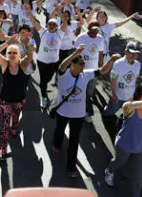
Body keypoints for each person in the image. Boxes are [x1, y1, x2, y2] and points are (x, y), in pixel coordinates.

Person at [52, 46, 121, 177]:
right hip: (62, 112)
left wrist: (111, 60)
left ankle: (71, 167)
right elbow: (62, 65)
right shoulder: (63, 74)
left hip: (78, 115)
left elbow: (102, 70)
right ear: (72, 64)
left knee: (74, 141)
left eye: (84, 64)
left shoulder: (86, 74)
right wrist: (75, 53)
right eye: (81, 64)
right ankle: (57, 143)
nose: (83, 66)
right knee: (59, 131)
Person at [0, 35, 32, 159]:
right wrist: (6, 43)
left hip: (19, 100)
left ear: (19, 54)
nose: (12, 54)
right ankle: (3, 149)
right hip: (5, 101)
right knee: (4, 126)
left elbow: (30, 56)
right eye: (10, 52)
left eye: (15, 52)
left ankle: (14, 127)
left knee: (16, 117)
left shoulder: (23, 64)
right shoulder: (4, 64)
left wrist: (25, 44)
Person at [28, 8, 67, 109]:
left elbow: (65, 22)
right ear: (47, 25)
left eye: (54, 25)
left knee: (51, 78)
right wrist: (29, 11)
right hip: (42, 61)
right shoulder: (43, 32)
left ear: (57, 27)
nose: (52, 26)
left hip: (54, 62)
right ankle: (44, 98)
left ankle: (59, 95)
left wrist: (59, 12)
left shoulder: (60, 33)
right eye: (50, 24)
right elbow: (34, 21)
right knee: (43, 81)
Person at [75, 21, 105, 122]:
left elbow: (100, 54)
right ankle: (78, 108)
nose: (95, 31)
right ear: (88, 28)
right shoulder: (81, 38)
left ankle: (87, 112)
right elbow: (75, 54)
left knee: (89, 93)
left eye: (97, 29)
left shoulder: (100, 39)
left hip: (93, 71)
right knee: (79, 91)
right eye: (93, 29)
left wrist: (101, 67)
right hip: (81, 71)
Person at [102, 41, 142, 117]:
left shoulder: (138, 64)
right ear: (126, 51)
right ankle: (104, 116)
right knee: (111, 111)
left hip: (129, 97)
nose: (133, 55)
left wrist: (133, 94)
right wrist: (114, 94)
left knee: (127, 114)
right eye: (131, 52)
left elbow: (135, 79)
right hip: (117, 96)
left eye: (136, 53)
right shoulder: (118, 64)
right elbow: (113, 79)